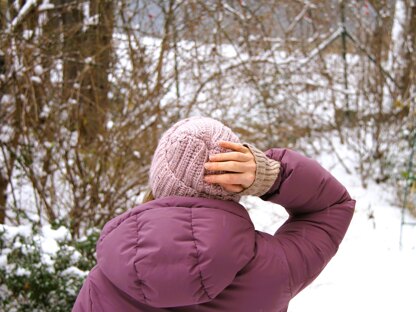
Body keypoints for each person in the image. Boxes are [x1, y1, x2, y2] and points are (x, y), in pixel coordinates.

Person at [72, 116, 355, 312]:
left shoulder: (107, 276)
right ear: (235, 184)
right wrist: (272, 176)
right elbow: (331, 206)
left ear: (157, 180)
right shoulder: (275, 269)